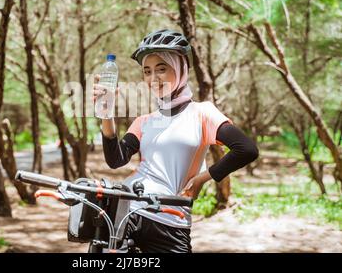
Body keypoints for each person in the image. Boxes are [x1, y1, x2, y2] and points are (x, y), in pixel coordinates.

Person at [92, 29, 259, 253]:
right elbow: (115, 159)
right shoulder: (144, 121)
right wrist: (106, 112)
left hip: (172, 219)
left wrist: (202, 178)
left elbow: (246, 149)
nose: (153, 78)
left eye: (162, 69)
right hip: (129, 211)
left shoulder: (202, 113)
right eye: (147, 71)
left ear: (181, 69)